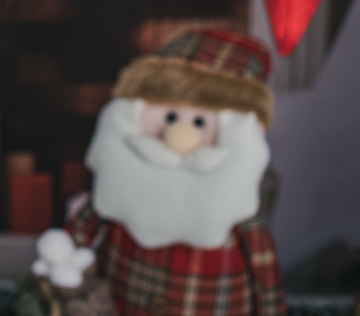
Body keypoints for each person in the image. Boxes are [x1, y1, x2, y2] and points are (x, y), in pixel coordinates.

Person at [67, 29, 286, 316]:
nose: (178, 134)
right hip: (121, 301)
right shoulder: (118, 187)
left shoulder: (237, 206)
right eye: (170, 116)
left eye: (199, 122)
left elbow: (263, 265)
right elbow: (79, 231)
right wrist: (60, 259)